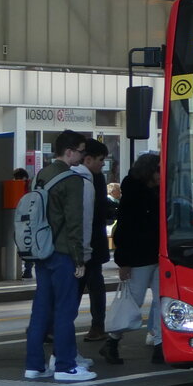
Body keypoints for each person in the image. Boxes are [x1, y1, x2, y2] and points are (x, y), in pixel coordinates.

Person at [23, 130, 96, 382]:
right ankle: (65, 366)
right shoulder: (72, 180)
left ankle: (34, 365)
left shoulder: (41, 175)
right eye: (81, 151)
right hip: (63, 253)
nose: (82, 156)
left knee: (41, 309)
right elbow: (75, 223)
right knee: (65, 310)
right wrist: (79, 259)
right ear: (69, 151)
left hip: (41, 251)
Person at [101, 152, 162, 365]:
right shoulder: (136, 194)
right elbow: (124, 228)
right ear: (150, 171)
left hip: (155, 254)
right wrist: (124, 261)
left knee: (161, 300)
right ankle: (113, 340)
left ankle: (160, 344)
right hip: (140, 255)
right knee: (135, 300)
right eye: (158, 169)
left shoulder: (152, 191)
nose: (161, 173)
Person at [77, 139, 111, 342]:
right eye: (101, 160)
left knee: (82, 283)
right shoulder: (91, 179)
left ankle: (54, 326)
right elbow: (97, 212)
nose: (103, 164)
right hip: (89, 244)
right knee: (92, 284)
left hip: (88, 244)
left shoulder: (91, 177)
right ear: (88, 159)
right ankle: (97, 325)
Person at [13, 168, 34, 279]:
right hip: (27, 219)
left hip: (23, 219)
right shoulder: (30, 186)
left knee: (24, 243)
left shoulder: (25, 187)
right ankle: (27, 269)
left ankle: (27, 269)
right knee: (27, 243)